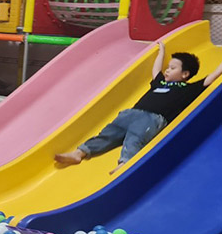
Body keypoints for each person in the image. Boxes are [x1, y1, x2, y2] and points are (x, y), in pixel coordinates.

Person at [55, 42, 222, 171]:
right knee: (107, 133)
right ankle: (79, 153)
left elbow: (213, 75)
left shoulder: (189, 89)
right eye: (168, 67)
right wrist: (161, 52)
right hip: (130, 114)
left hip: (152, 118)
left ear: (185, 74)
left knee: (135, 138)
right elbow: (156, 69)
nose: (167, 70)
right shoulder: (160, 83)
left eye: (172, 68)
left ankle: (125, 163)